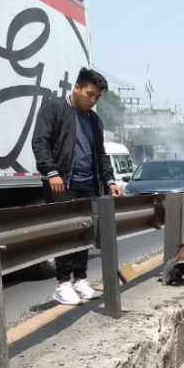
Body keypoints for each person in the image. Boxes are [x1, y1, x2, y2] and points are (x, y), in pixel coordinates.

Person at [32, 67, 122, 305]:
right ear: (77, 87)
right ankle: (62, 284)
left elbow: (101, 154)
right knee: (65, 233)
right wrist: (51, 172)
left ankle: (80, 280)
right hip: (62, 184)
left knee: (84, 233)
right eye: (90, 94)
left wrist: (109, 180)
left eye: (97, 97)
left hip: (88, 184)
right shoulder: (54, 108)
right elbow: (40, 142)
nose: (92, 100)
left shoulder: (95, 120)